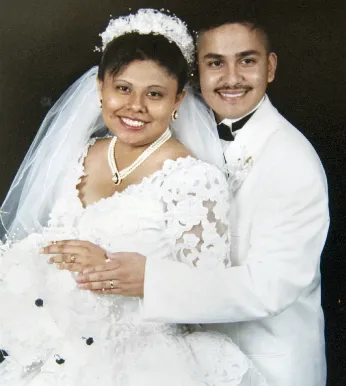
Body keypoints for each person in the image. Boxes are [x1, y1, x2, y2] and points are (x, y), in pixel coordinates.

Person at [0, 9, 267, 386]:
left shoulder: (194, 179)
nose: (136, 106)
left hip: (139, 363)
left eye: (154, 94)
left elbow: (209, 296)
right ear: (100, 88)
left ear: (178, 99)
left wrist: (112, 268)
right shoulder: (80, 155)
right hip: (58, 354)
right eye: (123, 88)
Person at [77, 15, 330, 386]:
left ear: (270, 66)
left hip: (266, 364)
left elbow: (270, 286)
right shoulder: (181, 133)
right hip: (177, 357)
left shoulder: (293, 160)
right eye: (215, 63)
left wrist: (150, 279)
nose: (230, 78)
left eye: (246, 61)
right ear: (197, 73)